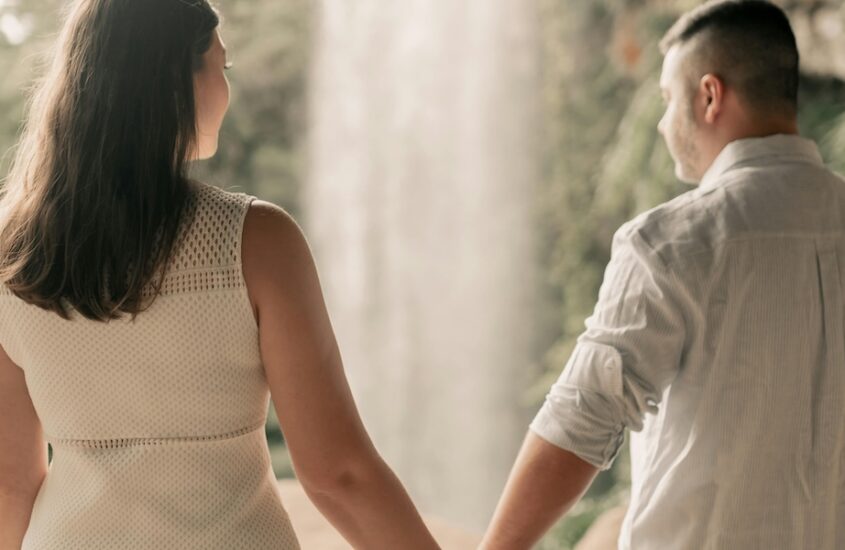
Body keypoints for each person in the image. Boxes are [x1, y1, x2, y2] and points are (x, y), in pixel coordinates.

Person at [0, 1, 440, 549]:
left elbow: (11, 486)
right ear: (174, 82)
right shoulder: (255, 241)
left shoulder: (12, 253)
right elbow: (339, 474)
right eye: (220, 68)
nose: (226, 91)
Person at [481, 1, 845, 548]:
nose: (660, 120)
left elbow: (581, 421)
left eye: (667, 98)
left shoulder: (673, 243)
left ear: (709, 95)